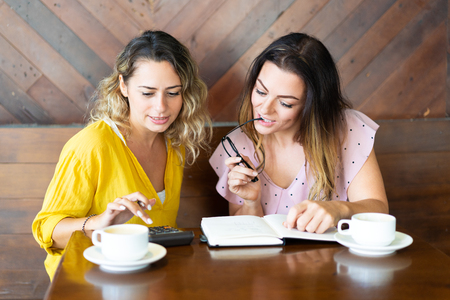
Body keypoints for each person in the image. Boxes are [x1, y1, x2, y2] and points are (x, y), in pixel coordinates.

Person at [32, 30, 211, 279]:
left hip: (151, 277)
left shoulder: (174, 142)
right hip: (88, 282)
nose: (161, 107)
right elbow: (46, 231)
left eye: (173, 93)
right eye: (147, 93)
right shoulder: (92, 145)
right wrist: (97, 223)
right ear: (123, 86)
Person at [209, 33, 388, 234]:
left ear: (311, 106)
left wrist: (339, 209)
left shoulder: (348, 130)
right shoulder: (236, 145)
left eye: (285, 103)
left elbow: (379, 212)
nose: (265, 109)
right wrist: (251, 202)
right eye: (260, 91)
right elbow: (242, 235)